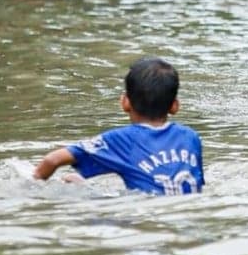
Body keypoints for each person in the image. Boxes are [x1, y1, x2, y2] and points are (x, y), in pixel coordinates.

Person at [33, 57, 204, 195]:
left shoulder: (122, 139)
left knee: (71, 180)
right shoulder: (190, 137)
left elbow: (52, 160)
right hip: (185, 209)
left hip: (146, 213)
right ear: (175, 106)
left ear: (125, 102)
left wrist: (32, 188)